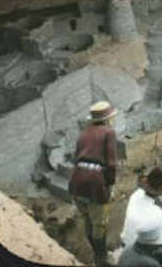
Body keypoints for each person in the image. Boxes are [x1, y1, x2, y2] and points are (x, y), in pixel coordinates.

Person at [68, 100, 119, 267]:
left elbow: (75, 158)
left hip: (77, 181)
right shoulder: (108, 133)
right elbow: (111, 163)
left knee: (87, 218)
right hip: (95, 183)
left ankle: (97, 255)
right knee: (100, 223)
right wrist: (110, 184)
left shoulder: (83, 133)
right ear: (107, 119)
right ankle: (102, 258)